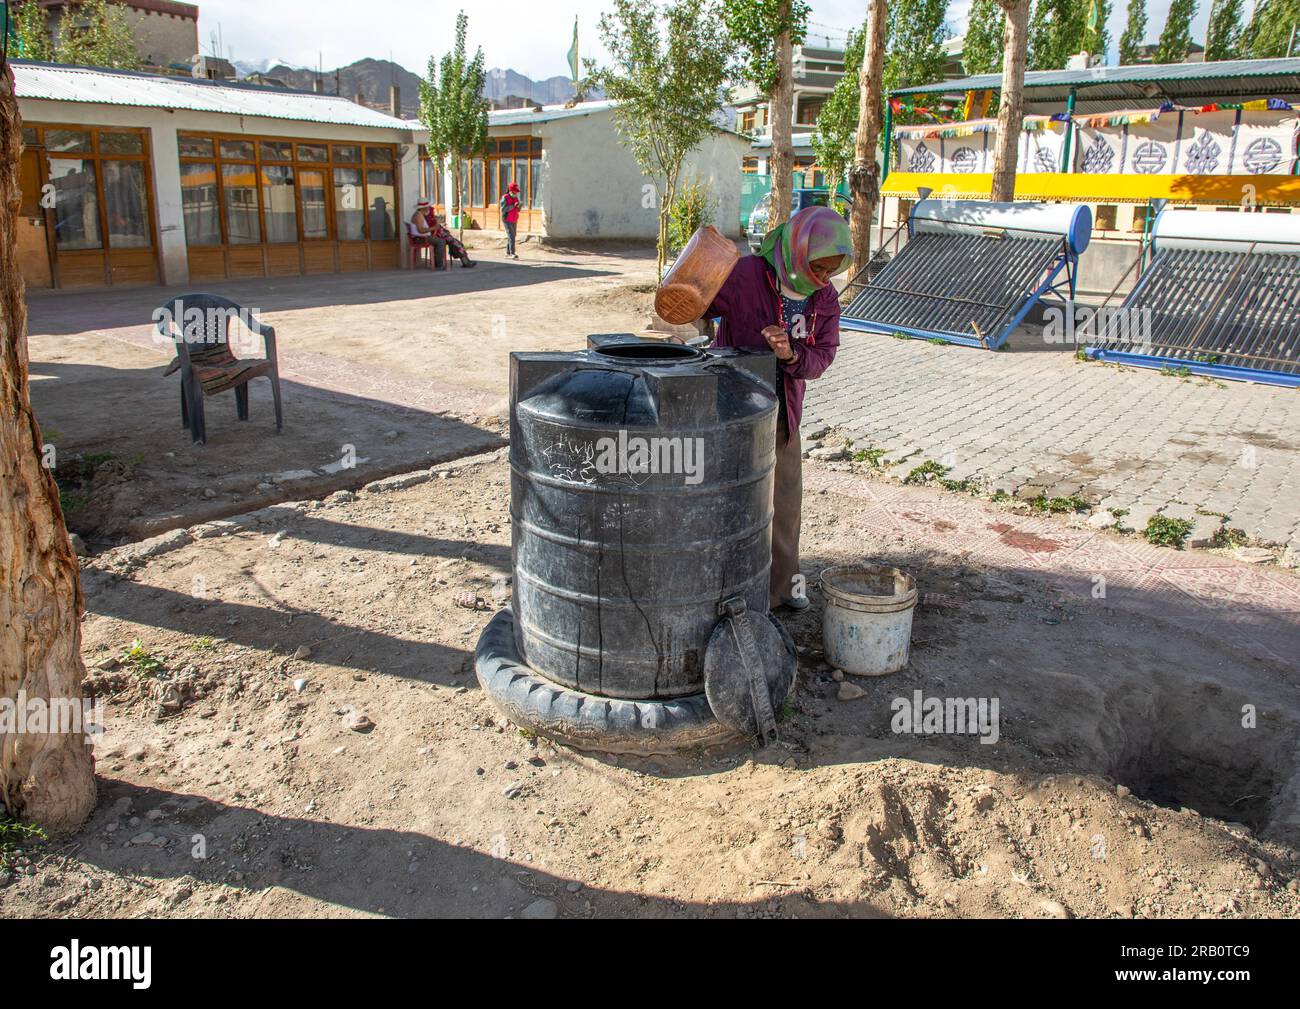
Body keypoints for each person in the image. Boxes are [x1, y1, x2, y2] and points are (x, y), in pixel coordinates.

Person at [674, 205, 851, 611]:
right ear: (796, 249)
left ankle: (784, 589)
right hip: (729, 410)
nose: (823, 278)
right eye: (818, 266)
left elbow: (822, 357)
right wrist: (693, 282)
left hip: (782, 415)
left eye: (830, 270)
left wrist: (791, 354)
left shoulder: (823, 299)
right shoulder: (748, 274)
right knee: (728, 503)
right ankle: (723, 591)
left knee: (784, 506)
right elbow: (694, 304)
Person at [499, 181, 522, 259]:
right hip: (506, 219)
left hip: (514, 218)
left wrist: (519, 206)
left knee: (513, 235)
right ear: (510, 190)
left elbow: (518, 210)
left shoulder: (515, 197)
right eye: (515, 191)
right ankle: (512, 253)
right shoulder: (505, 197)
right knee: (511, 235)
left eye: (516, 192)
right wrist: (513, 206)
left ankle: (507, 253)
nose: (516, 193)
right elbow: (503, 209)